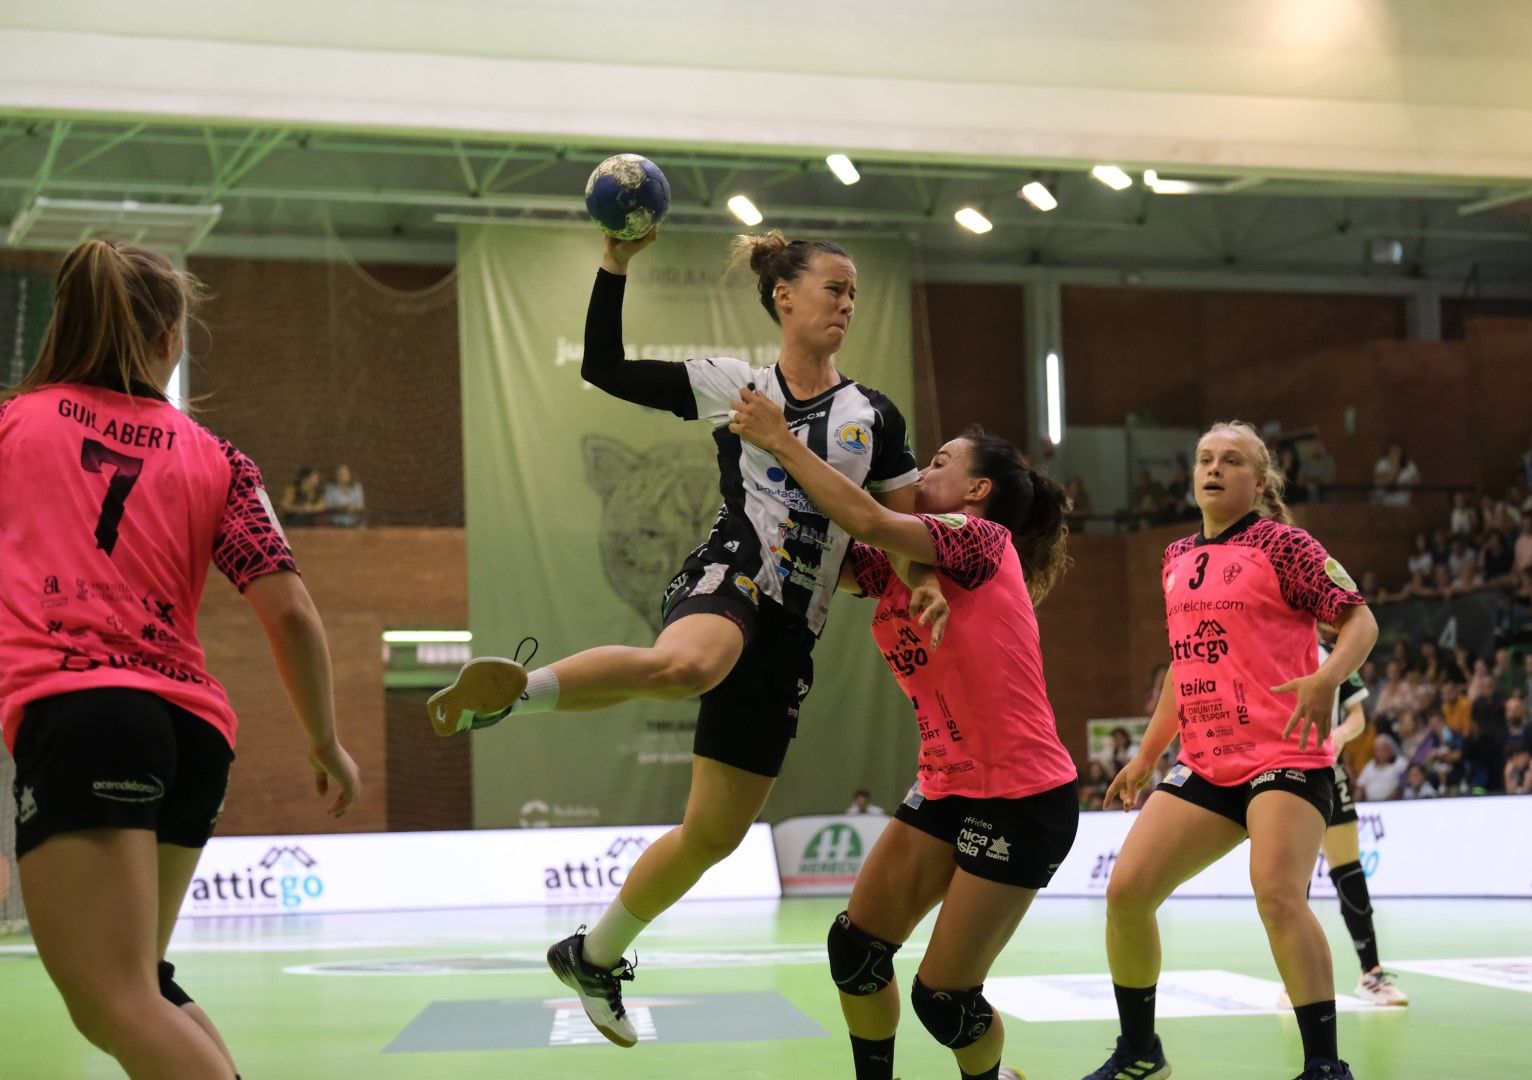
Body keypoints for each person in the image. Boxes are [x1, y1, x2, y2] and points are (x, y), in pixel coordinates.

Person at [426, 228, 931, 1047]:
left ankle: (592, 955)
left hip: (794, 630)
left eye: (854, 293)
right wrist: (616, 263)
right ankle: (516, 698)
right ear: (784, 297)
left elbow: (904, 533)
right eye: (833, 287)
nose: (845, 302)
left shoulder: (872, 414)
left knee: (713, 836)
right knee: (688, 664)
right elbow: (604, 368)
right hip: (730, 572)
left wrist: (930, 588)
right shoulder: (736, 385)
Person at [0, 238, 360, 1079]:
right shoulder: (220, 459)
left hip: (81, 716)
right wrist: (324, 741)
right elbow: (293, 614)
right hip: (191, 734)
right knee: (144, 985)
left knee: (110, 1000)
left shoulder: (13, 427)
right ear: (168, 341)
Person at [728, 392, 1077, 1080]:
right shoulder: (901, 561)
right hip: (947, 783)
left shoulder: (981, 540)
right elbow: (833, 547)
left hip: (1022, 795)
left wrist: (781, 440)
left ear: (976, 490)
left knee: (944, 999)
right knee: (854, 952)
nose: (920, 472)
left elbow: (862, 514)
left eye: (939, 463)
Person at [1085, 419, 1377, 1080]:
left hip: (1286, 754)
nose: (1213, 469)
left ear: (1259, 480)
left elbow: (1361, 619)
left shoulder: (1285, 546)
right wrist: (1147, 755)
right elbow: (1184, 668)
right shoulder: (1174, 559)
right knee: (1127, 892)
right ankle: (1139, 1051)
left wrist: (1329, 679)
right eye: (1204, 459)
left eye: (1232, 461)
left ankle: (1325, 1065)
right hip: (1208, 762)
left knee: (1276, 893)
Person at [1277, 643, 1407, 1009]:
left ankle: (1371, 973)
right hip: (1278, 770)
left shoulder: (1335, 652)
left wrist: (1340, 735)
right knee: (1290, 880)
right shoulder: (1268, 639)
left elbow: (1357, 716)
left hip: (1326, 770)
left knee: (1349, 871)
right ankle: (1294, 979)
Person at [322, 463, 366, 527]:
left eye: (345, 474)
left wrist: (353, 508)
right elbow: (327, 506)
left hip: (354, 522)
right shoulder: (329, 487)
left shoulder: (357, 487)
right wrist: (341, 507)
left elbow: (361, 506)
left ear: (350, 474)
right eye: (340, 474)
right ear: (335, 475)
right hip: (334, 523)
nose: (342, 476)